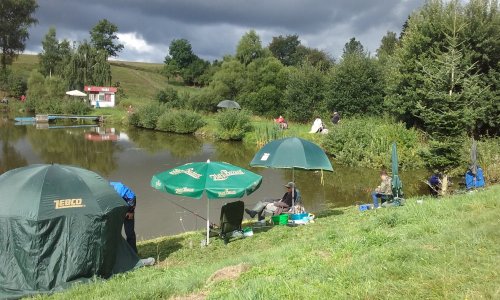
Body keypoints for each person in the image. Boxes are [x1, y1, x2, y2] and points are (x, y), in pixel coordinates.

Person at [110, 181, 137, 253]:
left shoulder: (119, 188)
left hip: (127, 210)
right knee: (112, 233)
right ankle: (117, 253)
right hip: (115, 211)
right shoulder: (101, 191)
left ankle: (133, 253)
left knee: (129, 232)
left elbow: (132, 197)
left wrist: (130, 212)